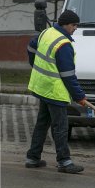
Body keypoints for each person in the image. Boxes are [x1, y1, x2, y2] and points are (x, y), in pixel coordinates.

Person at [25, 9, 87, 174]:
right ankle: (64, 162)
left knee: (42, 123)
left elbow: (31, 47)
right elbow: (68, 76)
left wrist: (35, 65)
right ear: (65, 24)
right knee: (60, 127)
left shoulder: (46, 32)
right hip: (54, 91)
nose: (75, 28)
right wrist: (79, 96)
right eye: (74, 25)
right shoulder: (64, 45)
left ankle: (32, 158)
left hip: (42, 87)